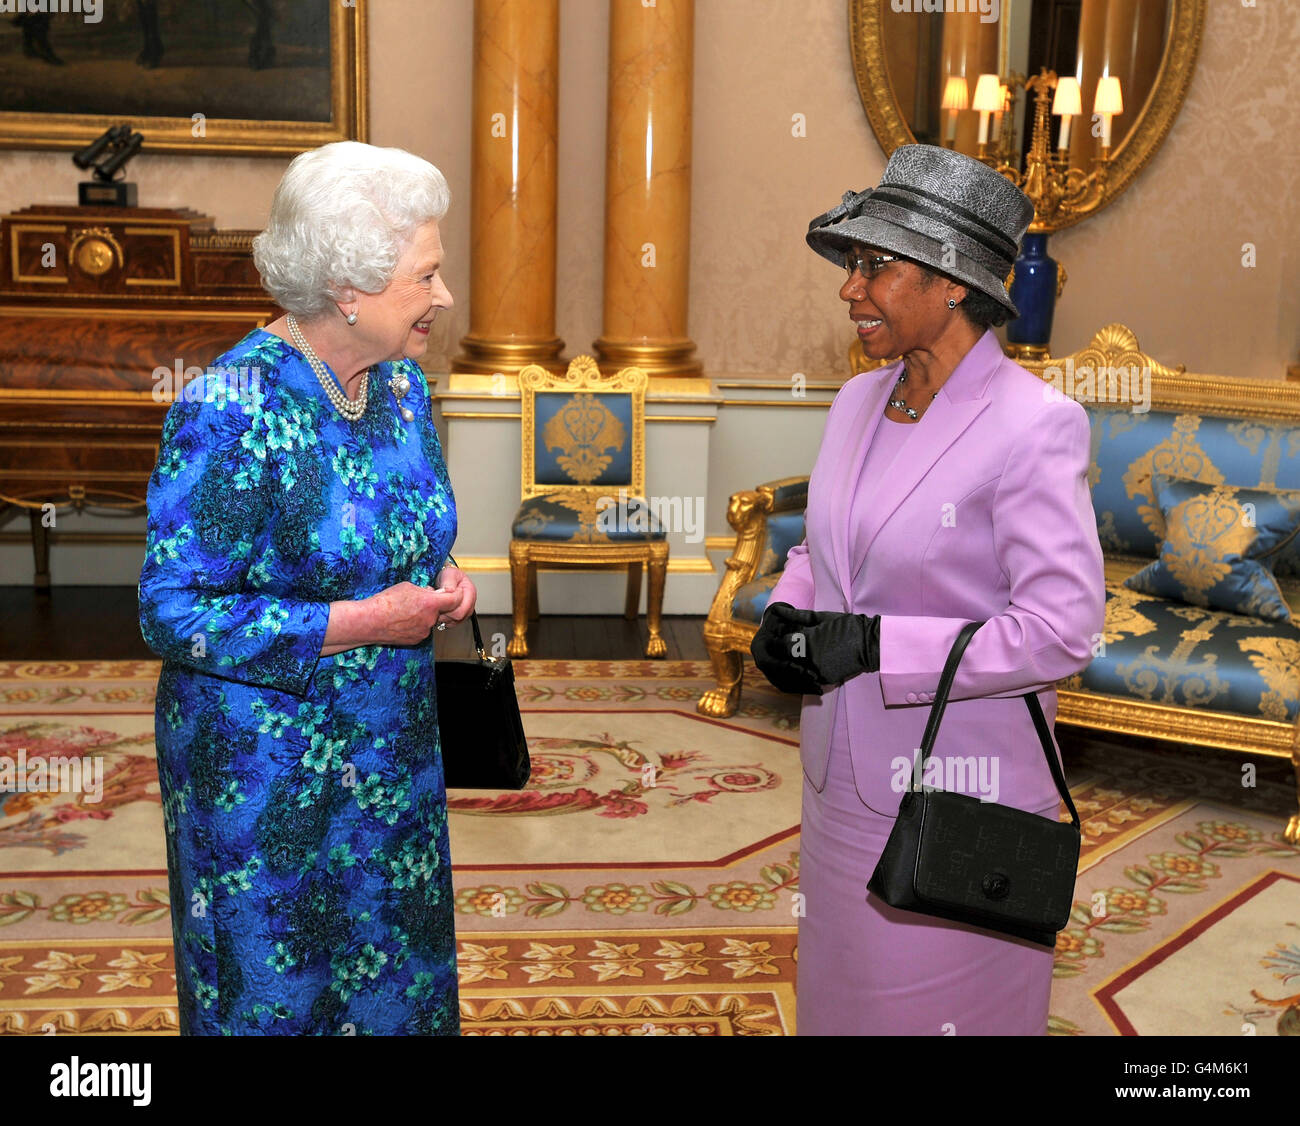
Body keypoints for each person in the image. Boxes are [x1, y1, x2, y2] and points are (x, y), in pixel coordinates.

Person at [751, 144, 1105, 1036]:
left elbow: (1062, 629)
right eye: (851, 264)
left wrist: (875, 646)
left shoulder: (1036, 426)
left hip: (956, 792)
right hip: (838, 781)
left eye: (875, 266)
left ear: (952, 283)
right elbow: (831, 548)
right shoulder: (856, 402)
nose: (849, 289)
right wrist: (790, 608)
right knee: (841, 1001)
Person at [138, 141, 475, 1036]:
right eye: (426, 276)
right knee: (276, 998)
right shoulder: (231, 406)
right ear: (349, 289)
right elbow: (172, 611)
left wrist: (438, 570)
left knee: (396, 983)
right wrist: (366, 620)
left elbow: (405, 524)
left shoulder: (400, 385)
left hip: (390, 755)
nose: (444, 297)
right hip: (263, 779)